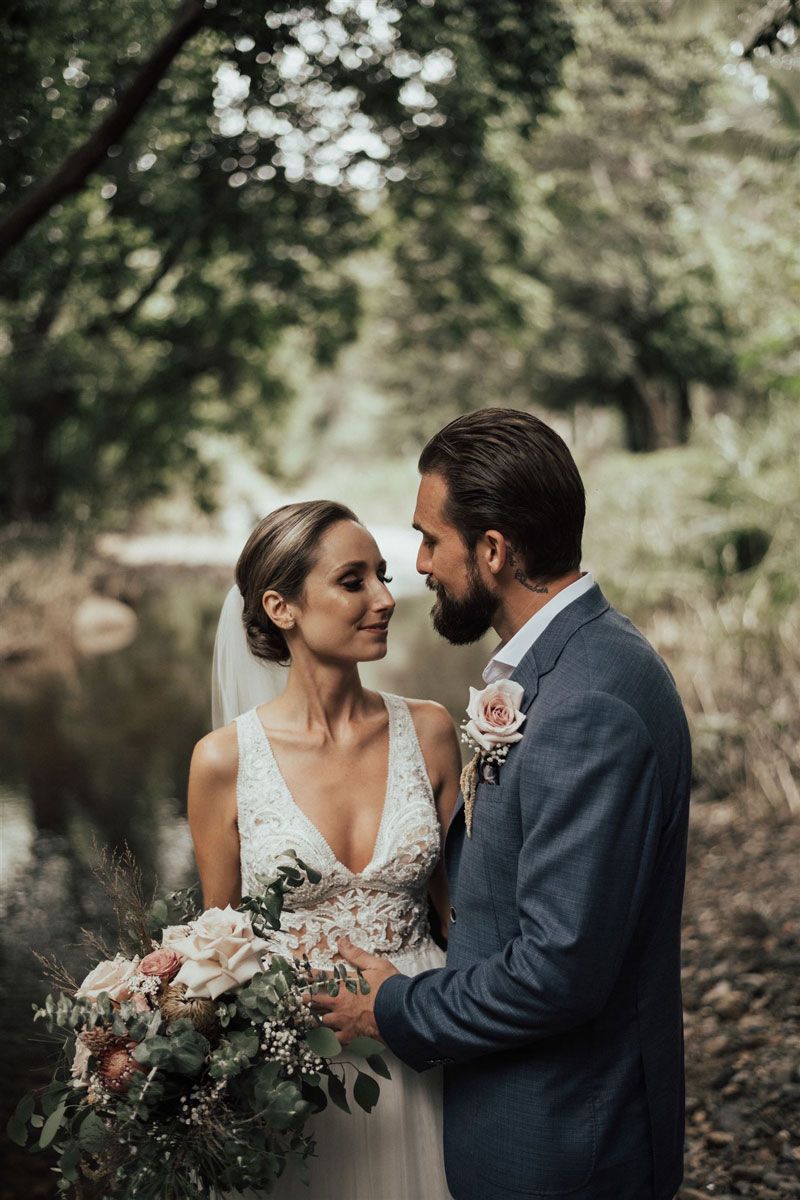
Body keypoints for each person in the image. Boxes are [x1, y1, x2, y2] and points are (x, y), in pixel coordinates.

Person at [316, 408, 692, 1200]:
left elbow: (557, 972)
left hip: (564, 1144)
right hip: (533, 1123)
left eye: (430, 540)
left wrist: (394, 1006)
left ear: (493, 550)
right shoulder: (570, 663)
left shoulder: (589, 702)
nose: (419, 564)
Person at [189, 499, 459, 1200]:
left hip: (424, 1034)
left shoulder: (431, 732)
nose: (385, 599)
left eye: (383, 576)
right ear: (281, 608)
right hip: (300, 1068)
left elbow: (463, 917)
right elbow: (216, 951)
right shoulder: (222, 761)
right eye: (352, 581)